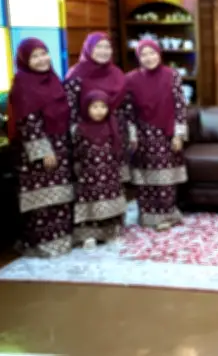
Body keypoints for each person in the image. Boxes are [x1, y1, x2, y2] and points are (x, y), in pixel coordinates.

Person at [7, 38, 75, 257]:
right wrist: (43, 151)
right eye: (34, 56)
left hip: (60, 144)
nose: (41, 59)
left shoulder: (53, 79)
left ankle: (62, 239)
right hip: (37, 152)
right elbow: (27, 121)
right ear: (24, 60)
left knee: (61, 195)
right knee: (42, 200)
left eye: (44, 53)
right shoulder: (22, 84)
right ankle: (41, 244)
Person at [125, 39, 189, 231]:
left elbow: (180, 105)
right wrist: (132, 136)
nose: (149, 58)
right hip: (142, 134)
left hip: (166, 133)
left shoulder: (171, 75)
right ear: (138, 58)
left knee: (165, 179)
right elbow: (128, 110)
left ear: (159, 54)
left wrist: (178, 135)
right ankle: (147, 215)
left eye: (152, 53)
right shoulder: (131, 79)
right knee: (144, 178)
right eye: (144, 54)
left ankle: (166, 215)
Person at [64, 32, 130, 184]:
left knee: (115, 181)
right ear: (88, 48)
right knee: (92, 181)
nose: (103, 51)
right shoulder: (76, 73)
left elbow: (126, 105)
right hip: (88, 137)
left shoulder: (117, 73)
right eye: (98, 47)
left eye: (107, 47)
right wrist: (77, 134)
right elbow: (70, 108)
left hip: (115, 134)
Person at [71, 89, 127, 246]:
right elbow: (76, 153)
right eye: (94, 107)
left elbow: (119, 150)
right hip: (89, 175)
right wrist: (79, 171)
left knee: (110, 202)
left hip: (110, 174)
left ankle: (109, 232)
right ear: (86, 108)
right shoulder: (80, 129)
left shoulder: (112, 126)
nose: (99, 111)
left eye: (103, 107)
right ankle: (88, 235)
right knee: (90, 202)